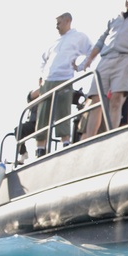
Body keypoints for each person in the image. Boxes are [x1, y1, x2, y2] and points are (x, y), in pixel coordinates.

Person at [80, 0, 128, 140]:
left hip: (126, 58)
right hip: (106, 59)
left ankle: (110, 137)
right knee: (96, 100)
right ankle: (89, 139)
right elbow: (101, 40)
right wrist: (89, 59)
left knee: (116, 98)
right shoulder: (114, 18)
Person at [34, 13, 91, 157]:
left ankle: (64, 144)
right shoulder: (54, 41)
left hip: (64, 78)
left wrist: (80, 66)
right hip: (48, 79)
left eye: (59, 23)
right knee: (43, 114)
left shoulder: (79, 37)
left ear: (67, 21)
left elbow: (92, 51)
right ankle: (40, 148)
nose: (56, 26)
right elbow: (43, 59)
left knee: (63, 112)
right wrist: (41, 76)